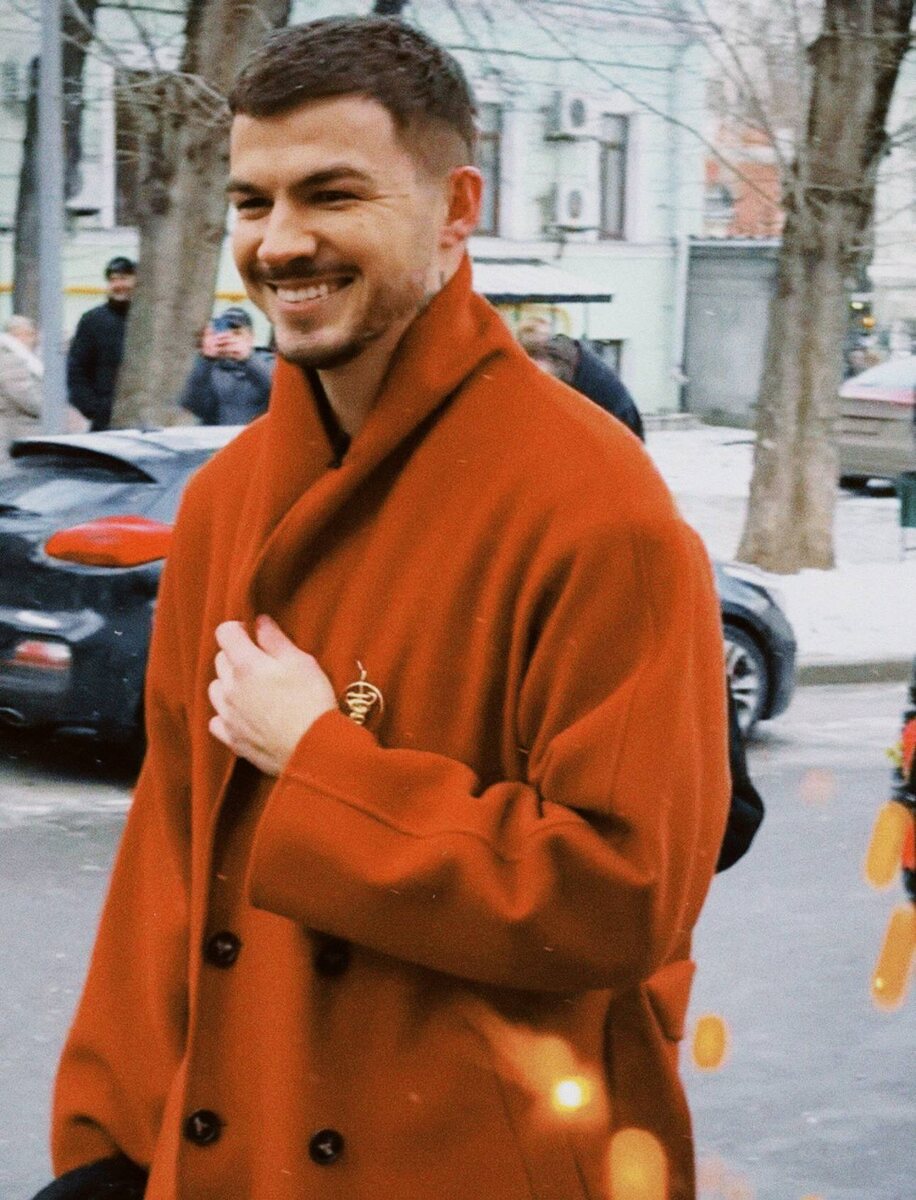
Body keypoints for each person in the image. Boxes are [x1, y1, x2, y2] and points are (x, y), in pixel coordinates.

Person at [42, 17, 729, 1200]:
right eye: (252, 202)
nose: (279, 243)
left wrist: (320, 761)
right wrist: (111, 1140)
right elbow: (171, 856)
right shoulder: (225, 501)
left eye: (333, 194)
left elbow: (621, 905)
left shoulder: (595, 505)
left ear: (456, 209)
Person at [66, 255, 136, 431]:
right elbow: (76, 369)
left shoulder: (148, 319)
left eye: (124, 278)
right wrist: (94, 409)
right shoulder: (93, 320)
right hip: (106, 421)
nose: (118, 285)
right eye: (113, 280)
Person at [177, 306, 274, 425]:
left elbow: (281, 392)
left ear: (250, 338)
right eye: (225, 333)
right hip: (219, 435)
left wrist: (248, 359)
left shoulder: (268, 361)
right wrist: (206, 359)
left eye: (237, 333)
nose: (230, 339)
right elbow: (194, 406)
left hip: (259, 433)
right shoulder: (211, 367)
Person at [0, 315, 42, 457]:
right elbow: (26, 397)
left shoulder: (21, 357)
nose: (32, 339)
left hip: (18, 431)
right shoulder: (11, 358)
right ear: (15, 335)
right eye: (28, 334)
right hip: (16, 432)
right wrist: (51, 408)